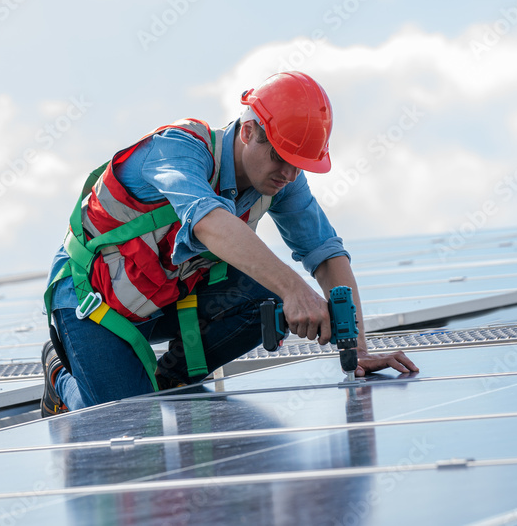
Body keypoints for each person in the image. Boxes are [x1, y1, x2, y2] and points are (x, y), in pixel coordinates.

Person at [40, 71, 418, 415]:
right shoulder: (179, 149)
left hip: (159, 300)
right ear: (248, 132)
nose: (288, 174)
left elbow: (326, 254)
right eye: (279, 157)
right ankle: (61, 378)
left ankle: (172, 378)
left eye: (298, 165)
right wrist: (294, 290)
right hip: (90, 301)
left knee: (265, 298)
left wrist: (359, 348)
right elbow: (208, 222)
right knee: (122, 420)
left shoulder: (282, 182)